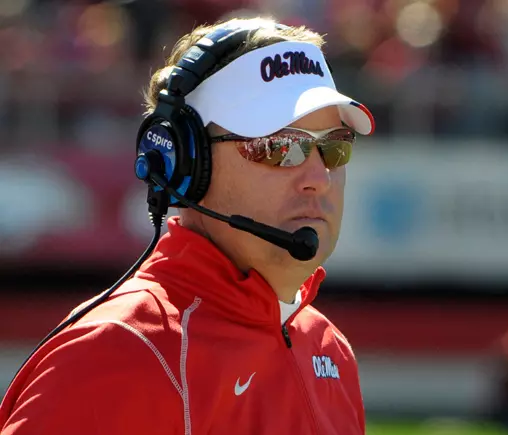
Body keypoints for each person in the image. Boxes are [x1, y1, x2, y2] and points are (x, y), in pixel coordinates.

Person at [0, 16, 375, 434]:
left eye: (334, 147)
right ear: (187, 164)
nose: (320, 178)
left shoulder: (329, 349)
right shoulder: (119, 349)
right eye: (280, 146)